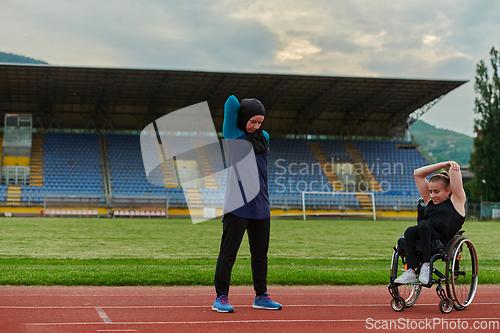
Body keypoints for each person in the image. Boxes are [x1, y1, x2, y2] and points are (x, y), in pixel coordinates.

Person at [212, 95, 282, 313]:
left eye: (260, 122)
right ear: (243, 119)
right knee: (228, 253)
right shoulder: (234, 135)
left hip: (261, 204)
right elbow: (231, 102)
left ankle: (261, 296)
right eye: (252, 121)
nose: (256, 125)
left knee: (260, 255)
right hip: (237, 205)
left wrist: (255, 114)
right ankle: (221, 297)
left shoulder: (265, 137)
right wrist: (247, 106)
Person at [394, 161, 466, 285]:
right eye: (430, 191)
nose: (432, 195)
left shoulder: (457, 201)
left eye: (436, 191)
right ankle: (411, 271)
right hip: (425, 235)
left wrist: (451, 167)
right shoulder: (429, 200)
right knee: (410, 230)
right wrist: (442, 165)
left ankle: (426, 266)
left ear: (448, 190)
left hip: (442, 240)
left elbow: (454, 173)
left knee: (423, 224)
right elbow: (418, 174)